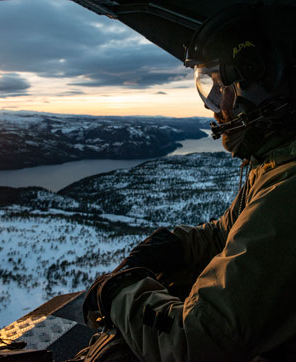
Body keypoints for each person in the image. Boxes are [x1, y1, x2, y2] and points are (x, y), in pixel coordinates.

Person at [82, 3, 296, 361]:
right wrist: (174, 244)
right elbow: (228, 234)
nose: (215, 106)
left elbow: (195, 342)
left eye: (220, 86)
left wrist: (119, 293)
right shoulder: (273, 163)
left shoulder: (288, 189)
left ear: (260, 82)